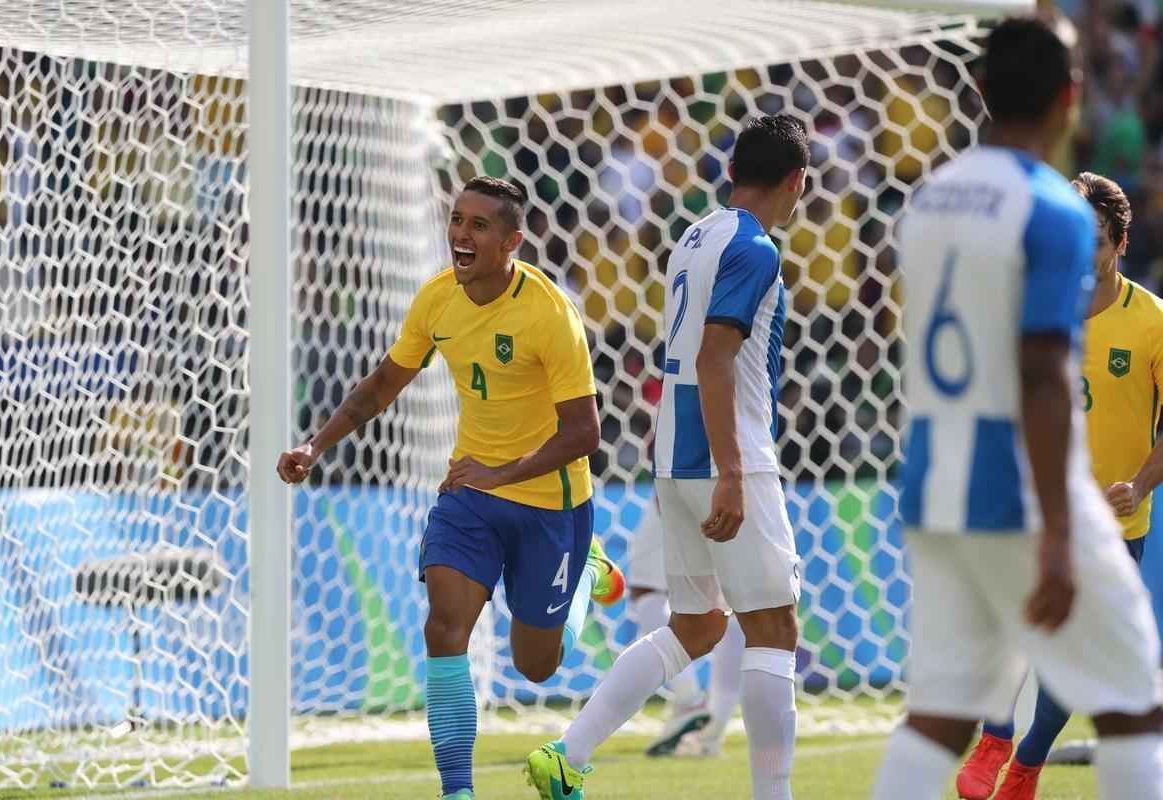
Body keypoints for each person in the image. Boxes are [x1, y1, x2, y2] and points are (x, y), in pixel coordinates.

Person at [870, 15, 1163, 800]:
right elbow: (1040, 374)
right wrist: (1062, 533)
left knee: (940, 714)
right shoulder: (1053, 210)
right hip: (1021, 490)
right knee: (1136, 700)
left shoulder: (931, 200)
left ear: (978, 92)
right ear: (1071, 98)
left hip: (934, 481)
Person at [277, 176, 626, 800]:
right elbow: (383, 384)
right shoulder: (439, 298)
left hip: (551, 501)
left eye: (479, 225)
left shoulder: (550, 313)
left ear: (512, 241)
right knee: (444, 628)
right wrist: (316, 444)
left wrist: (504, 472)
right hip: (470, 496)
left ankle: (585, 576)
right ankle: (457, 793)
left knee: (536, 665)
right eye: (457, 220)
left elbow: (584, 433)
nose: (461, 235)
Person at [525, 113, 809, 800]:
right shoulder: (756, 248)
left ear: (733, 171)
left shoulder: (694, 236)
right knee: (774, 627)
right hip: (726, 453)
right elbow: (716, 359)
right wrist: (735, 474)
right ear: (797, 182)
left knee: (698, 624)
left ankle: (570, 752)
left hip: (674, 457)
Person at [955, 172, 1163, 799]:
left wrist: (1142, 482)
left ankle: (1029, 760)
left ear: (1120, 244)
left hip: (1114, 522)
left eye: (1095, 241)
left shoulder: (1151, 321)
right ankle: (993, 738)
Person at [626, 493, 748, 758]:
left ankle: (688, 700)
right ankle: (711, 733)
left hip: (687, 478)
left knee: (647, 590)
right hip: (753, 488)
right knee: (739, 604)